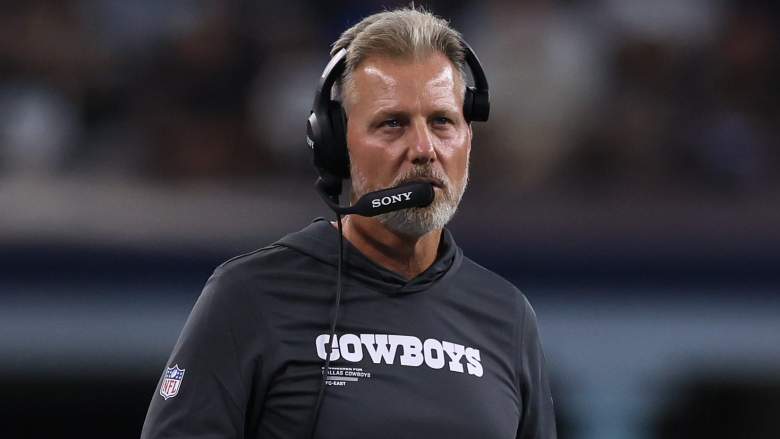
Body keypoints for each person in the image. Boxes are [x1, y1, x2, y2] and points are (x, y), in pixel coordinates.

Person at [141, 7, 556, 439]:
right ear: (337, 145)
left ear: (468, 138)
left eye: (442, 122)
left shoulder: (508, 317)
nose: (423, 148)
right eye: (392, 123)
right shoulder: (249, 296)